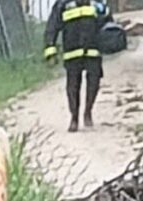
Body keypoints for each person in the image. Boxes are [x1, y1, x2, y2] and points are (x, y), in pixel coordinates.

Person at [44, 0, 111, 132]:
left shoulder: (96, 3)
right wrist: (50, 48)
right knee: (73, 86)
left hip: (93, 49)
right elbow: (52, 27)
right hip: (72, 52)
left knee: (94, 82)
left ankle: (88, 111)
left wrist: (112, 40)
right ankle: (74, 117)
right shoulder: (62, 4)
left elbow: (108, 23)